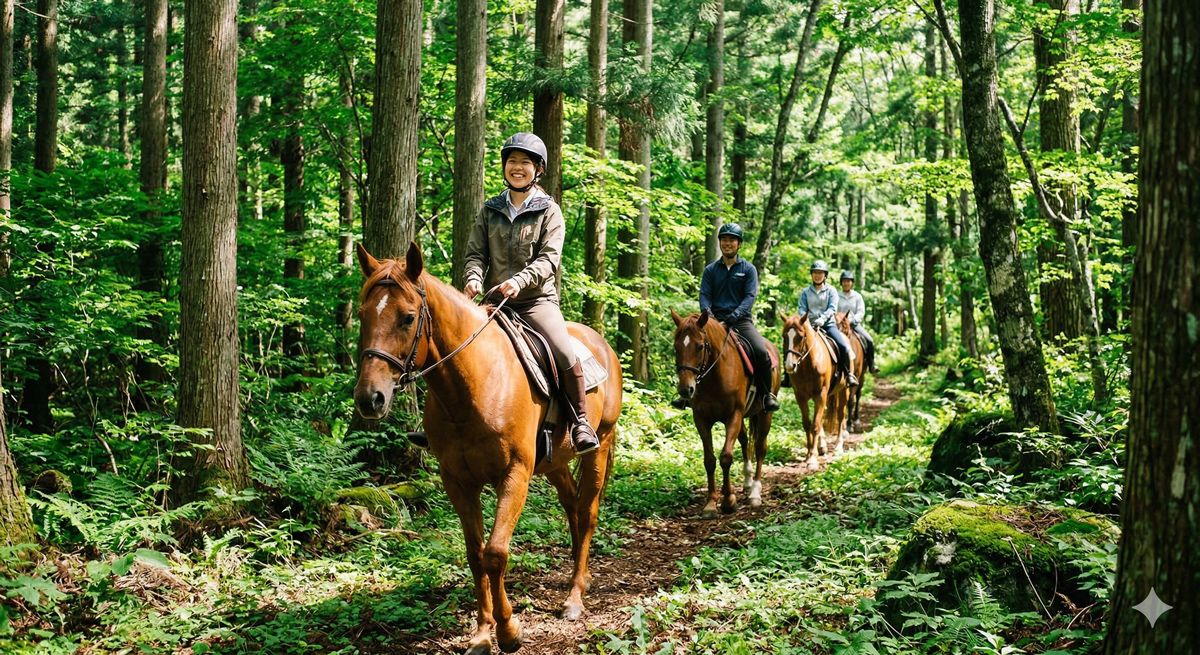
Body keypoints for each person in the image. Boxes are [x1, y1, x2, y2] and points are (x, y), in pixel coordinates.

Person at [463, 132, 600, 455]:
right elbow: (475, 254)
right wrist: (472, 278)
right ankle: (444, 424)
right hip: (496, 303)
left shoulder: (549, 211)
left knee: (564, 351)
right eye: (512, 161)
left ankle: (580, 420)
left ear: (538, 169)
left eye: (525, 162)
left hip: (535, 302)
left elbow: (549, 259)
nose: (517, 167)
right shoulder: (490, 210)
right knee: (455, 344)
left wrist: (519, 282)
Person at [695, 223, 780, 412]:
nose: (727, 243)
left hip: (741, 322)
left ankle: (766, 395)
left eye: (732, 240)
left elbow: (749, 297)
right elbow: (704, 295)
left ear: (739, 244)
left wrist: (733, 316)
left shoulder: (748, 269)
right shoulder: (710, 270)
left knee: (761, 352)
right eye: (724, 239)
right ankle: (687, 394)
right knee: (692, 348)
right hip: (713, 322)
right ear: (720, 243)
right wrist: (709, 315)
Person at [797, 261, 858, 387]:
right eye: (815, 273)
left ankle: (848, 375)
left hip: (828, 325)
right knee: (793, 344)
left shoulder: (831, 291)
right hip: (809, 326)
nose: (817, 275)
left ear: (825, 275)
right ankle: (788, 377)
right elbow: (801, 308)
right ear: (811, 274)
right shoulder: (805, 292)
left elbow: (832, 308)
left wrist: (822, 319)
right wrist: (807, 319)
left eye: (820, 273)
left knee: (843, 346)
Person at [837, 270, 878, 373]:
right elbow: (834, 310)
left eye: (848, 281)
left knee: (869, 340)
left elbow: (861, 311)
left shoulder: (857, 296)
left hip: (854, 324)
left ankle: (871, 364)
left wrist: (852, 320)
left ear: (852, 283)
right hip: (839, 325)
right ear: (841, 282)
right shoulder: (836, 296)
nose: (846, 283)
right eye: (844, 281)